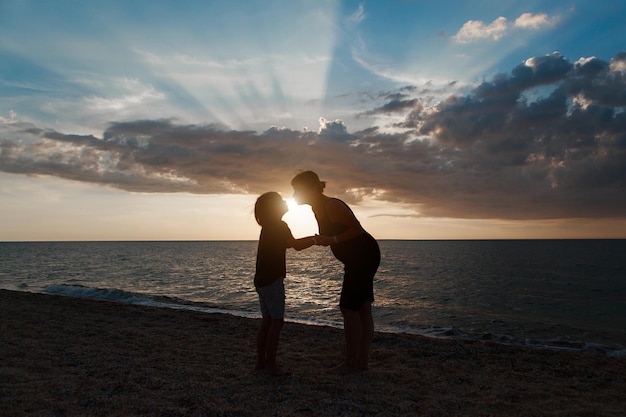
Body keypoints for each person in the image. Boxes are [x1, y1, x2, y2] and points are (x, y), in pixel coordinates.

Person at [291, 171, 380, 372]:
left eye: (298, 190)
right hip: (355, 258)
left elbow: (357, 229)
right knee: (362, 308)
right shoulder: (316, 208)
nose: (295, 194)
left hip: (364, 255)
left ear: (313, 188)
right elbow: (322, 237)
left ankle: (351, 364)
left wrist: (333, 241)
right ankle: (361, 363)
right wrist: (297, 243)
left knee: (349, 308)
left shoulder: (332, 205)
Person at [253, 191, 318, 375]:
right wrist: (315, 240)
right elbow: (295, 245)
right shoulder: (280, 225)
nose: (285, 202)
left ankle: (261, 363)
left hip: (261, 281)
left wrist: (312, 239)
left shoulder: (268, 226)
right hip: (273, 280)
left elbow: (289, 244)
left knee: (267, 321)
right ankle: (271, 365)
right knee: (276, 322)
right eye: (280, 200)